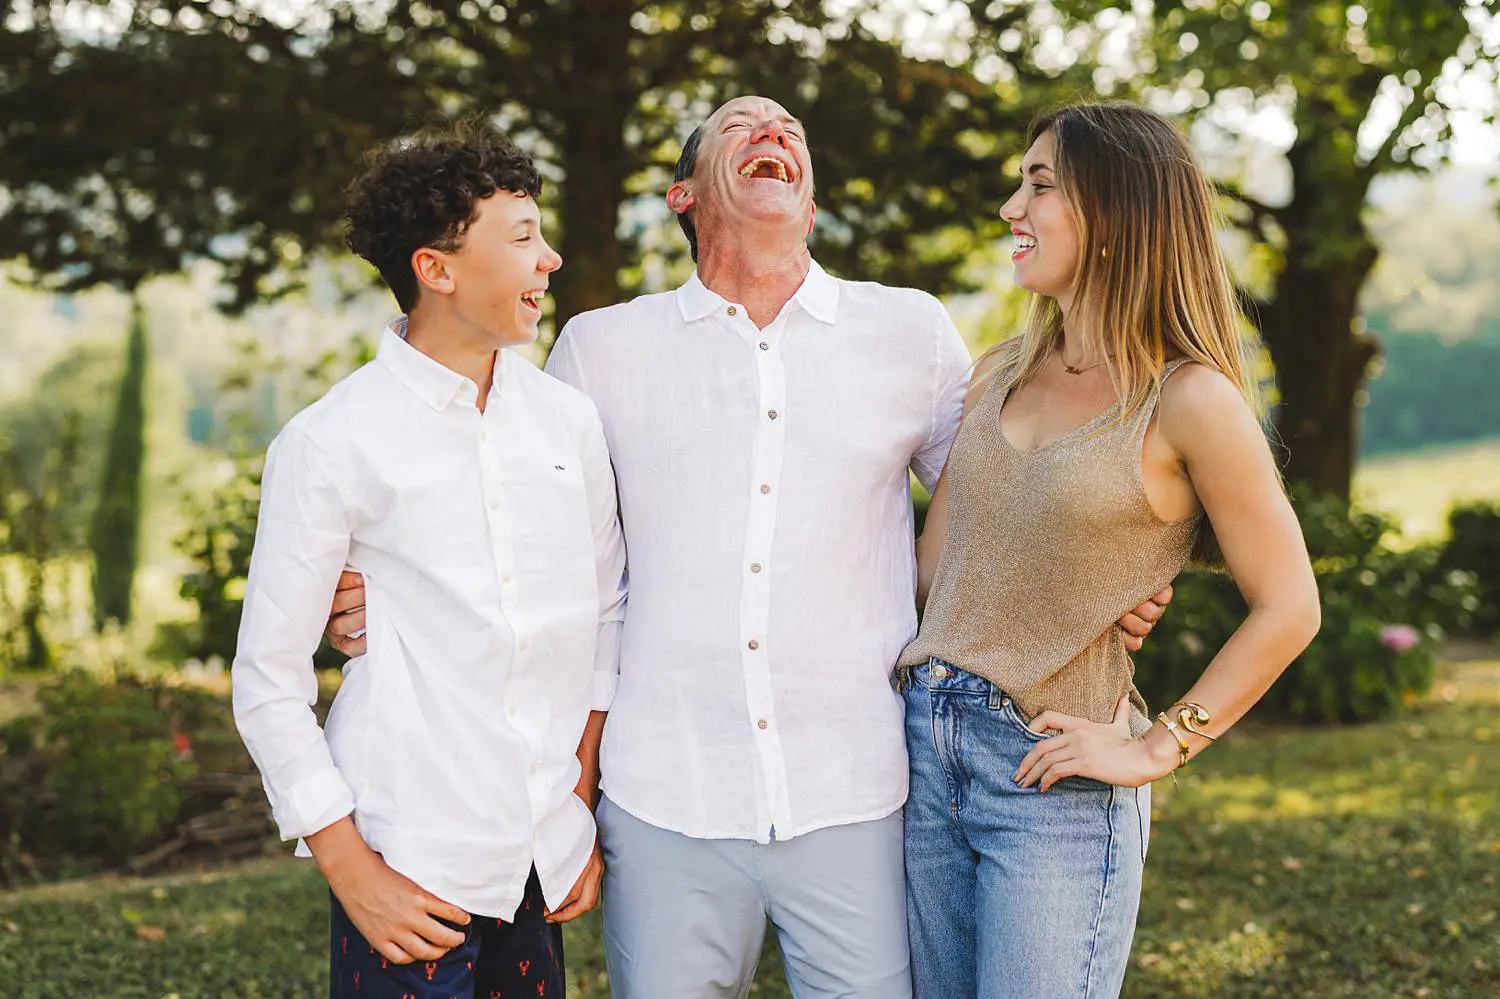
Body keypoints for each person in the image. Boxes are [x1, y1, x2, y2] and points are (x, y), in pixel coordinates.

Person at [326, 95, 1169, 999]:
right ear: (684, 194)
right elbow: (516, 527)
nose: (772, 132)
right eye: (740, 127)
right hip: (661, 796)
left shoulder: (911, 333)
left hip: (857, 789)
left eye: (790, 132)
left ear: (810, 204)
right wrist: (390, 586)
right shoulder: (599, 348)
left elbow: (1010, 503)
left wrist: (1108, 574)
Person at [897, 101, 1323, 999]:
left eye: (1040, 185)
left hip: (1051, 779)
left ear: (1116, 214)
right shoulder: (997, 371)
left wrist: (1159, 746)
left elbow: (1291, 605)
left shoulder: (1190, 400)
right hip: (926, 755)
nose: (1012, 207)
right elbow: (937, 573)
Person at [232, 120, 627, 999]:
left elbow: (605, 614)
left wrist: (577, 802)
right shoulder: (330, 442)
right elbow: (266, 679)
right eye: (522, 238)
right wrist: (351, 870)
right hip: (406, 865)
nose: (550, 259)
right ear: (436, 269)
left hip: (541, 864)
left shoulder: (569, 424)